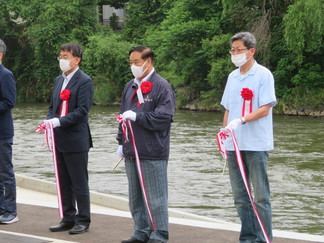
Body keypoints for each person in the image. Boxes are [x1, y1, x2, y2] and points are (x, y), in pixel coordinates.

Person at [220, 32, 276, 243]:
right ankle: (248, 237)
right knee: (240, 197)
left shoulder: (263, 74)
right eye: (232, 50)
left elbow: (265, 108)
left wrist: (242, 120)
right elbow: (227, 108)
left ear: (251, 51)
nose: (235, 54)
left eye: (239, 50)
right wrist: (225, 131)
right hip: (234, 144)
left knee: (261, 197)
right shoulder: (232, 77)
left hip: (256, 143)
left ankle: (263, 239)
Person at [117, 46, 175, 243]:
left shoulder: (161, 86)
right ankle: (141, 231)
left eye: (137, 62)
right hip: (131, 149)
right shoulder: (130, 86)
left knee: (156, 198)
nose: (133, 66)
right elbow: (122, 116)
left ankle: (159, 234)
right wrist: (120, 142)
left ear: (148, 62)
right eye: (131, 62)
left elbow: (164, 117)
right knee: (135, 197)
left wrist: (138, 117)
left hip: (152, 150)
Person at [44, 43, 94, 234]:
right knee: (63, 180)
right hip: (59, 138)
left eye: (66, 56)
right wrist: (49, 121)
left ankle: (83, 219)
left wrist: (59, 122)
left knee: (79, 181)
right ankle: (68, 217)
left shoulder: (85, 81)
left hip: (76, 139)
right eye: (61, 56)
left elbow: (82, 111)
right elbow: (52, 107)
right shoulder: (58, 80)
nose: (62, 60)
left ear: (77, 59)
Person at [0, 39, 18, 224]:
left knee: (5, 173)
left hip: (3, 132)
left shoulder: (5, 75)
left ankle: (11, 210)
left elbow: (9, 102)